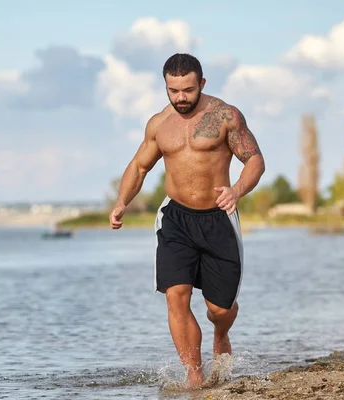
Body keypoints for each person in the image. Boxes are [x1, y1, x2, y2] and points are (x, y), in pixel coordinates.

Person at [109, 53, 265, 389]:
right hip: (175, 218)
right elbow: (139, 167)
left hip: (218, 219)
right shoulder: (159, 124)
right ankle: (195, 377)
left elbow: (254, 160)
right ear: (166, 86)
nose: (181, 97)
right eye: (174, 90)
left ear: (202, 84)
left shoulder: (225, 116)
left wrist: (236, 190)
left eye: (188, 90)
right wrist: (122, 202)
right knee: (175, 294)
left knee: (219, 310)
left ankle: (221, 333)